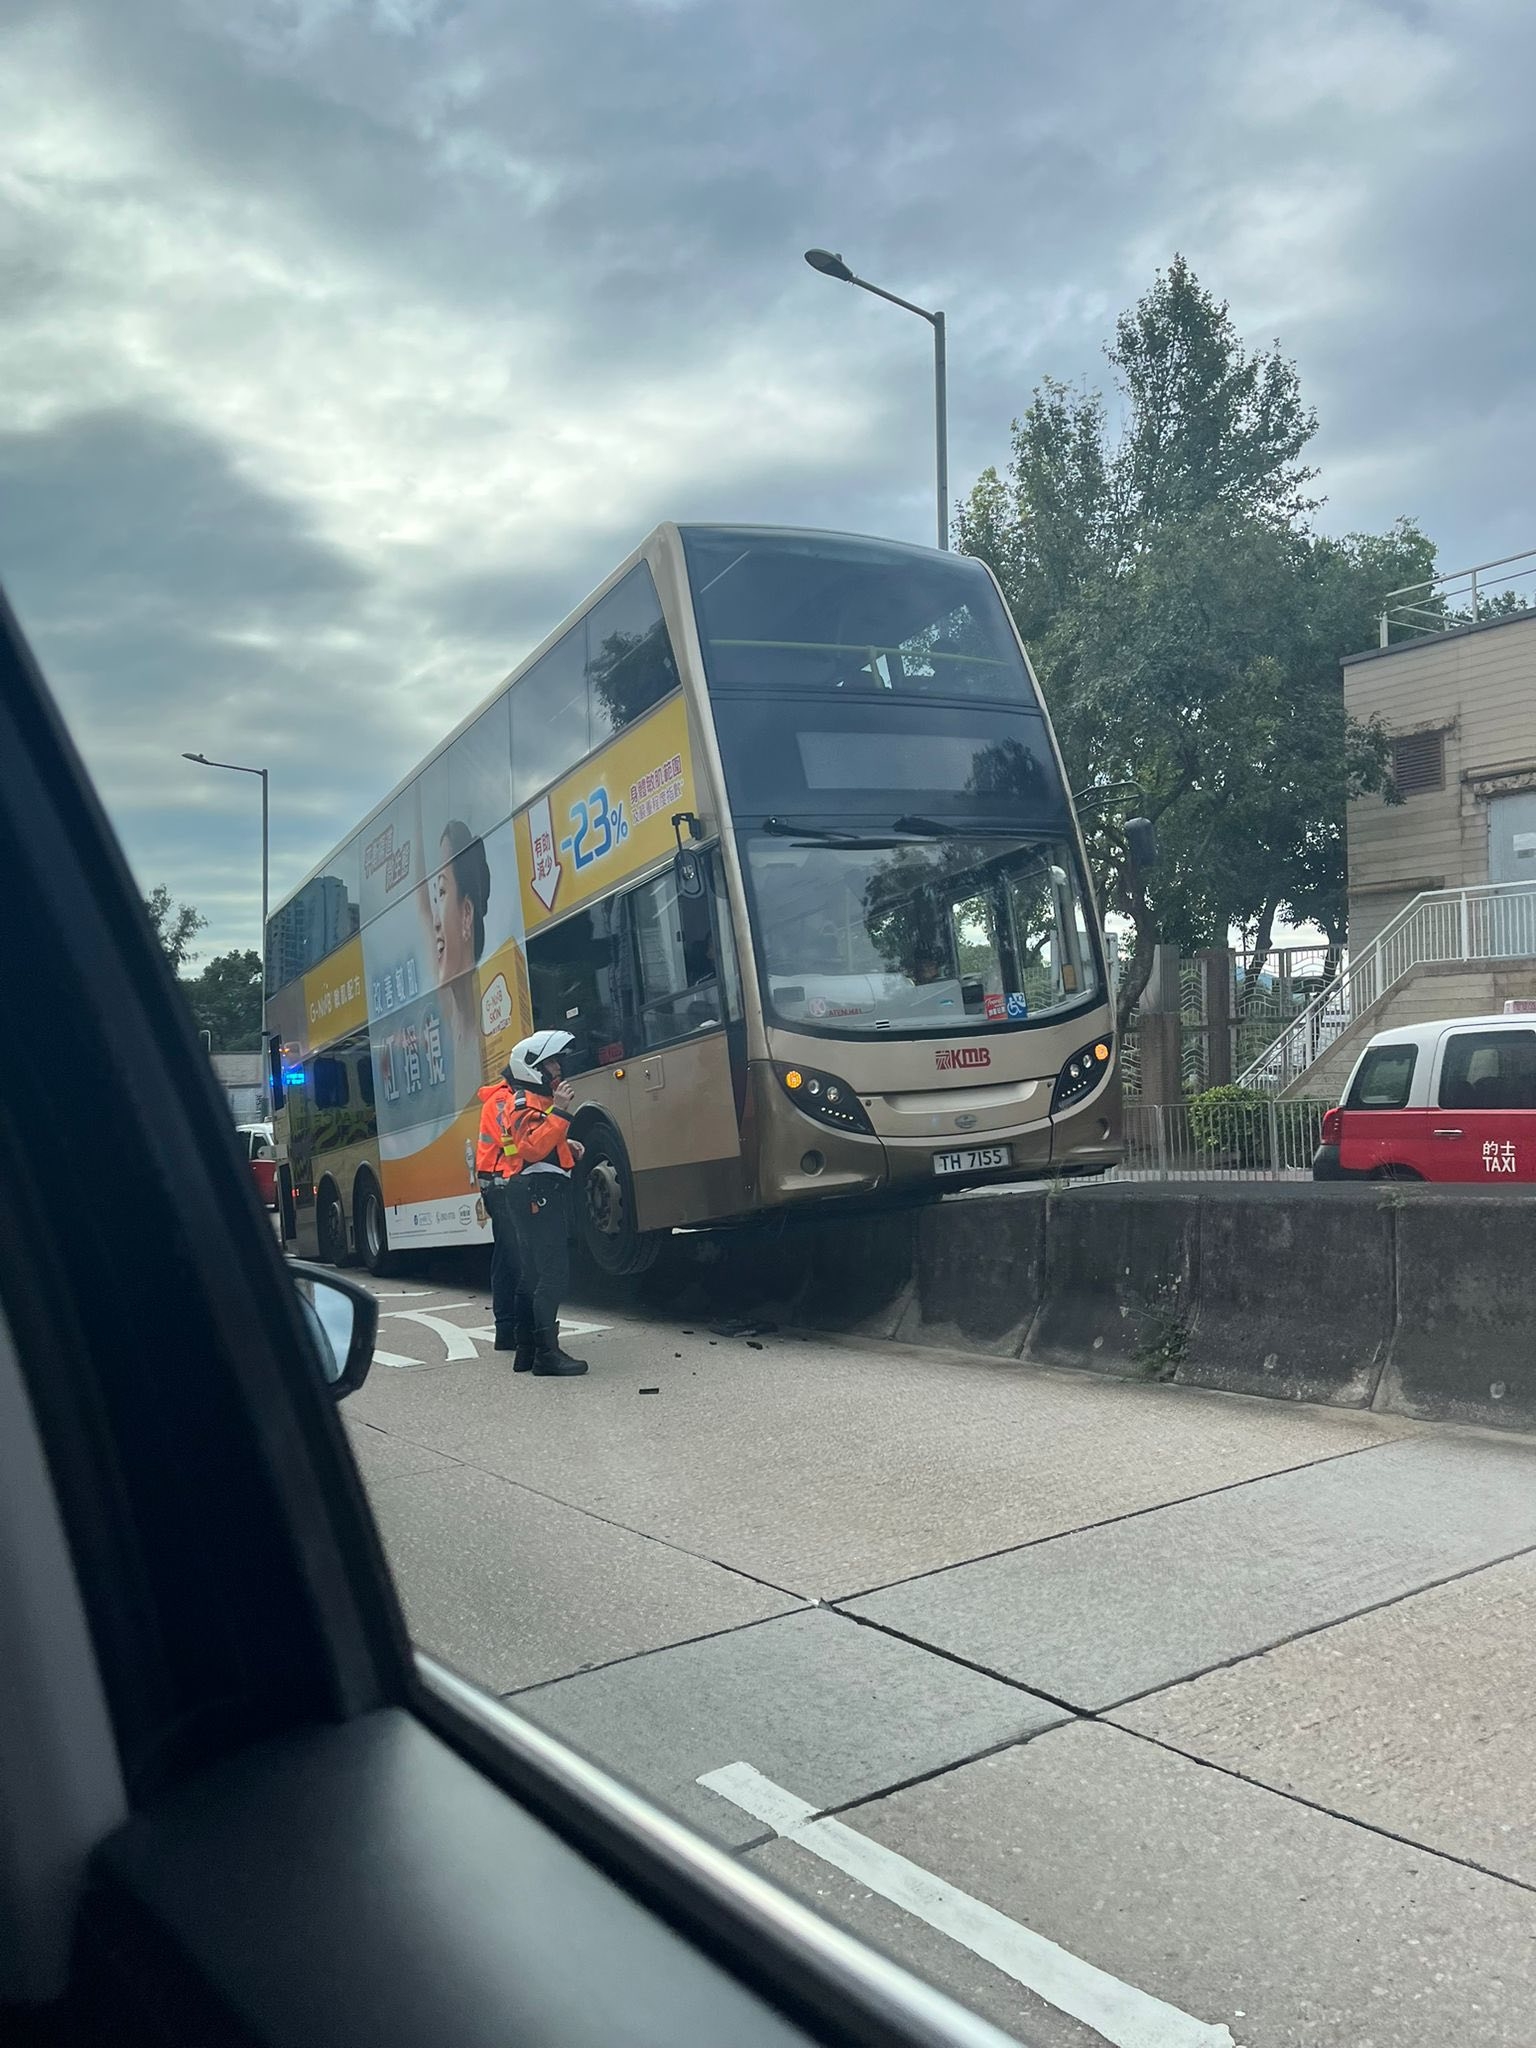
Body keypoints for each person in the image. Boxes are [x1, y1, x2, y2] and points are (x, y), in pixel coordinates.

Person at [502, 1028, 589, 1378]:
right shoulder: (524, 1102)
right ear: (533, 1068)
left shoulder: (535, 1101)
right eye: (551, 1063)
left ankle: (526, 1351)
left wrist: (570, 1147)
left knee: (532, 1275)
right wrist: (564, 1113)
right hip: (537, 1193)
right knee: (552, 1273)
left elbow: (544, 1145)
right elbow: (532, 1148)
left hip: (534, 1189)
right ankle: (546, 1355)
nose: (558, 1070)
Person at [475, 1062, 530, 1367]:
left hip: (502, 1182)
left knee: (508, 1254)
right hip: (502, 1183)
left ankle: (508, 1329)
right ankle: (507, 1327)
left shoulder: (507, 1098)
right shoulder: (501, 1101)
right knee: (511, 1255)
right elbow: (512, 1141)